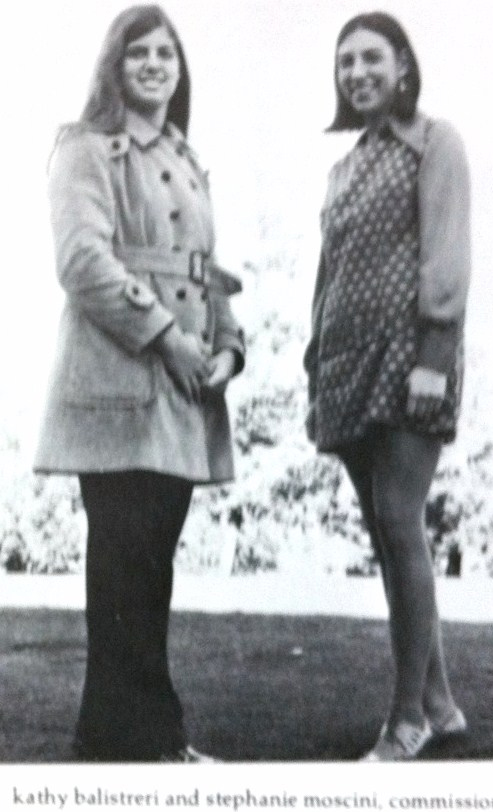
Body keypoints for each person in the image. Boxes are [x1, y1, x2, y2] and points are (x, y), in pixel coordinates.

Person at [34, 4, 245, 763]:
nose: (154, 64)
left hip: (183, 393)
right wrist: (167, 339)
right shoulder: (86, 148)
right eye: (138, 53)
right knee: (127, 570)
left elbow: (206, 272)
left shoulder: (187, 160)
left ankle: (118, 740)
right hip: (118, 384)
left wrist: (229, 348)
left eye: (166, 53)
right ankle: (144, 741)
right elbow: (82, 262)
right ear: (113, 66)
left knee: (149, 571)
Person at [303, 12, 470, 761]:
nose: (357, 72)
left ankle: (406, 720)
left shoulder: (436, 143)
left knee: (400, 523)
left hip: (409, 363)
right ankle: (438, 702)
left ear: (403, 65)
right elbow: (328, 277)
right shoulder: (344, 168)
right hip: (343, 369)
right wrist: (315, 363)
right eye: (345, 62)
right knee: (385, 535)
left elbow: (446, 258)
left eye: (372, 57)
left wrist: (433, 359)